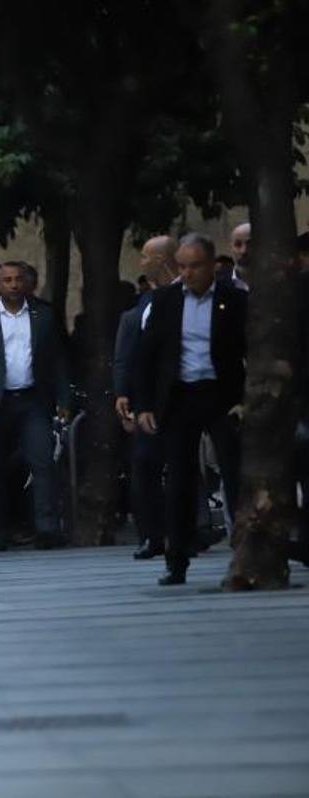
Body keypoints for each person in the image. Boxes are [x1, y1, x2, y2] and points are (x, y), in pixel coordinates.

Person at [137, 233, 247, 586]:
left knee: (234, 472)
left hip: (221, 395)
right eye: (182, 267)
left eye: (195, 266)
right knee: (180, 479)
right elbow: (148, 356)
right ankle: (177, 559)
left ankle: (246, 549)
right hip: (180, 395)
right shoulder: (166, 300)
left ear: (212, 265)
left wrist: (245, 399)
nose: (187, 274)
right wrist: (144, 405)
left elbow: (249, 348)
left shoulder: (234, 299)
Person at [0, 261, 71, 551]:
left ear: (26, 283)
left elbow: (57, 360)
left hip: (33, 399)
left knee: (42, 461)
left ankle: (47, 527)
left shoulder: (44, 316)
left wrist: (63, 399)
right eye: (6, 280)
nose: (12, 285)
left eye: (17, 279)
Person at [113, 235, 177, 560]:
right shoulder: (144, 303)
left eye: (146, 257)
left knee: (182, 468)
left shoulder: (183, 296)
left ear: (162, 259)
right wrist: (126, 393)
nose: (141, 263)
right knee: (143, 465)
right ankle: (151, 535)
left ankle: (185, 532)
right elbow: (133, 354)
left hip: (183, 395)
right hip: (147, 400)